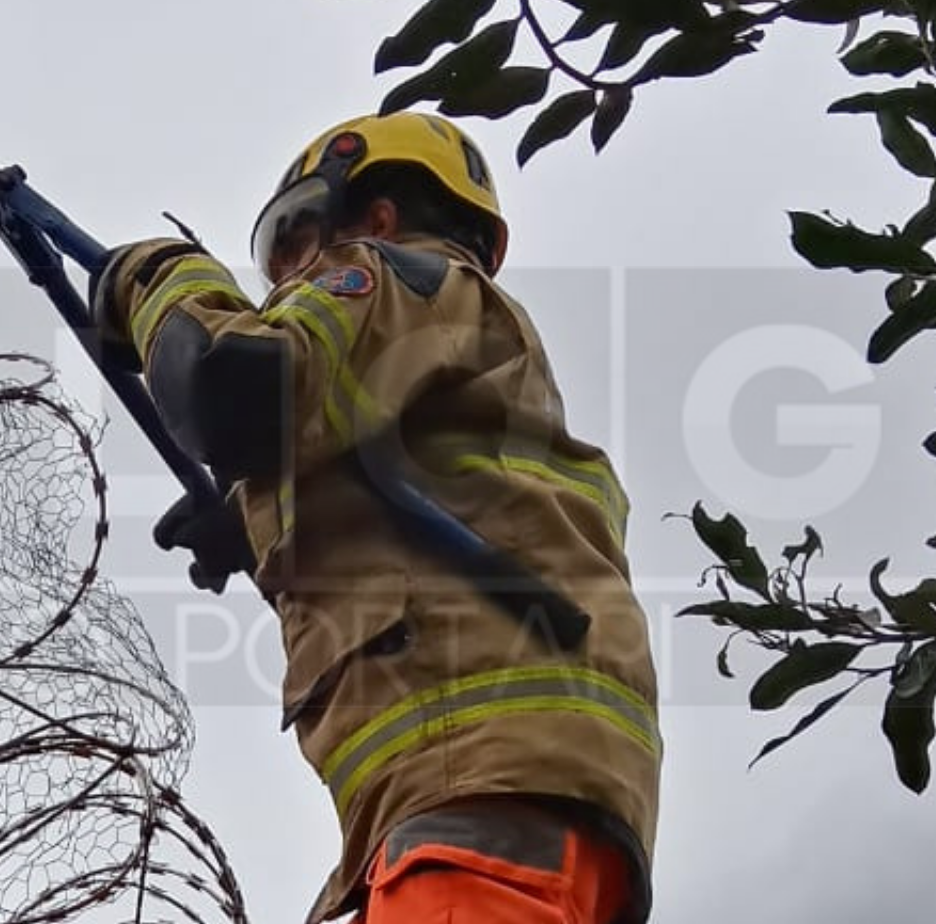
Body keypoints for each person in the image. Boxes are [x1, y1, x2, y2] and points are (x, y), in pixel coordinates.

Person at [88, 110, 662, 924]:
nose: (283, 272)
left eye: (294, 238)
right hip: (510, 807)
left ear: (379, 217)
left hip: (480, 805)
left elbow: (234, 384)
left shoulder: (392, 274)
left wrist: (157, 275)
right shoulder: (455, 359)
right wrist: (262, 526)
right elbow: (416, 529)